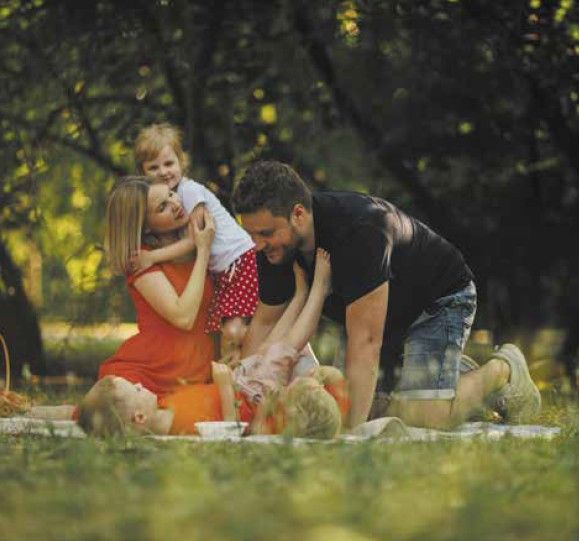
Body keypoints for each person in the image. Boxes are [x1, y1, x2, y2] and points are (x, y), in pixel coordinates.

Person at [232, 160, 541, 429]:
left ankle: (503, 369)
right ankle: (451, 377)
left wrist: (351, 435)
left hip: (437, 302)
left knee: (425, 417)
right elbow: (265, 324)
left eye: (265, 233)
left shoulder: (358, 231)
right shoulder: (273, 250)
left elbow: (366, 342)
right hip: (382, 319)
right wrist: (241, 397)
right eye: (251, 234)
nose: (256, 244)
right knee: (371, 408)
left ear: (298, 214)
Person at [78, 250, 348, 438]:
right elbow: (231, 433)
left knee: (271, 345)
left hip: (241, 381)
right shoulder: (182, 429)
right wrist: (225, 387)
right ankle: (317, 291)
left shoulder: (165, 407)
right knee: (283, 348)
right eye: (136, 389)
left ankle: (299, 297)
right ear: (139, 418)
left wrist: (225, 375)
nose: (139, 384)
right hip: (254, 398)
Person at [133, 123, 258, 361]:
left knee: (234, 330)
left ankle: (255, 362)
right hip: (226, 268)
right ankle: (237, 370)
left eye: (169, 163)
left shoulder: (189, 191)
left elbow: (196, 240)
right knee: (226, 332)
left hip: (240, 260)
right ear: (142, 173)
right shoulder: (173, 197)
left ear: (181, 162)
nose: (163, 172)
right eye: (153, 167)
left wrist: (152, 257)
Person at [98, 177, 216, 397]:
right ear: (146, 228)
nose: (175, 204)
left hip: (197, 369)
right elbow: (184, 317)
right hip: (153, 373)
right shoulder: (142, 261)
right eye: (162, 207)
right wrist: (203, 251)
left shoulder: (198, 236)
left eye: (171, 193)